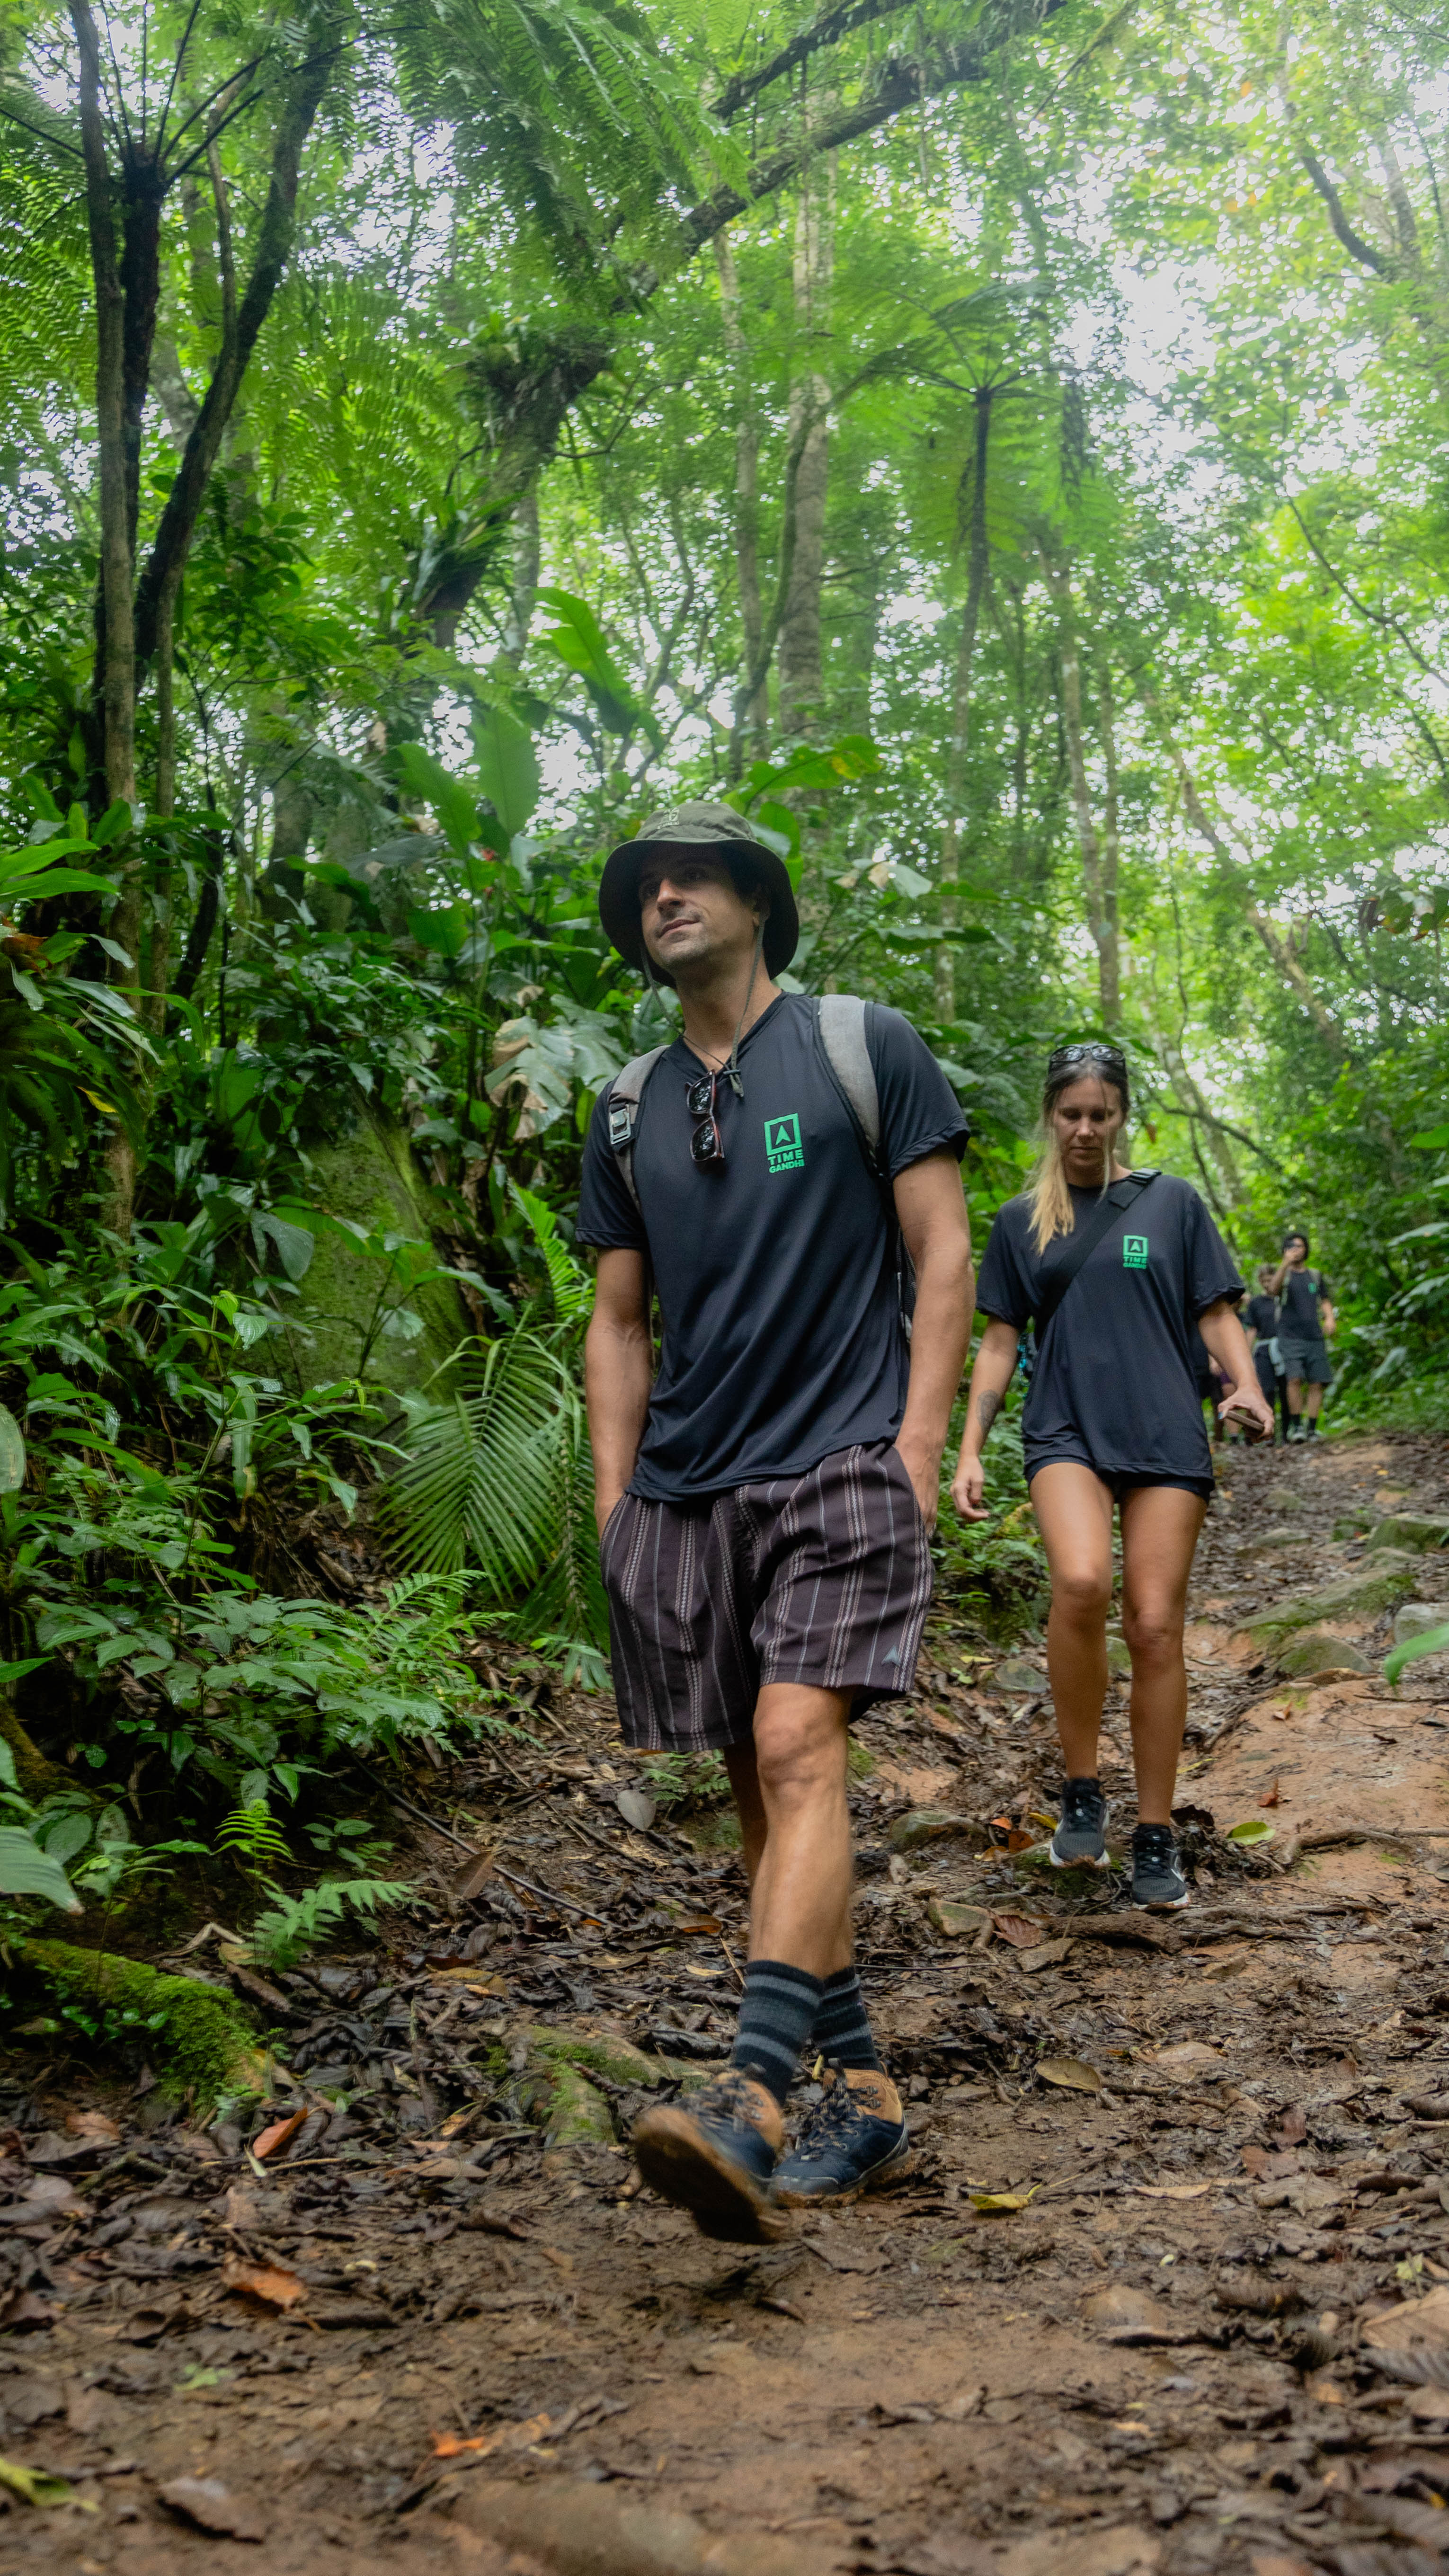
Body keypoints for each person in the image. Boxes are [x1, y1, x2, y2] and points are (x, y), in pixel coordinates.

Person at [576, 799, 974, 2239]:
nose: (663, 895)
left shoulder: (864, 1047)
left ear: (757, 895)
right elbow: (618, 1324)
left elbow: (943, 1256)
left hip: (842, 1455)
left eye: (691, 875)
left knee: (801, 1745)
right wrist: (618, 1503)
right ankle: (862, 2087)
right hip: (690, 1483)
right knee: (760, 1789)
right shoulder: (625, 1105)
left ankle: (746, 2100)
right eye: (643, 886)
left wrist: (919, 1442)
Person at [951, 1041, 1274, 1910]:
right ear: (1050, 1116)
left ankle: (1157, 1833)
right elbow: (997, 1340)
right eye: (1071, 1114)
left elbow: (1214, 1309)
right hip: (1065, 1429)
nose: (1086, 1129)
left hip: (1166, 1428)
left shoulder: (1171, 1203)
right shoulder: (1023, 1221)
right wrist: (972, 1445)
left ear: (1121, 1113)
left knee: (1158, 1622)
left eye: (1101, 1113)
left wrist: (1243, 1381)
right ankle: (1083, 1790)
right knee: (1083, 1579)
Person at [1270, 1230, 1335, 1441]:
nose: (1296, 1250)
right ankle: (1296, 1427)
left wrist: (1330, 1318)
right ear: (1285, 1250)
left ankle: (1312, 1428)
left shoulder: (1314, 1275)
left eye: (1299, 1246)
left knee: (1317, 1382)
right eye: (1291, 1247)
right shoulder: (1285, 1275)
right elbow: (1273, 1290)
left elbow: (1324, 1299)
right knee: (1294, 1379)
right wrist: (1284, 1264)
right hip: (1289, 1336)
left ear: (1306, 1249)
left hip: (1314, 1336)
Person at [1243, 1264, 1287, 1443]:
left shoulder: (1285, 1300)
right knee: (1267, 1391)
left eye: (1271, 1280)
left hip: (1285, 1349)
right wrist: (1246, 1355)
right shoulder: (1255, 1303)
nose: (1268, 1284)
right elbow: (1252, 1329)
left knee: (1286, 1392)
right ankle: (1269, 1433)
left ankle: (1286, 1434)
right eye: (1264, 1281)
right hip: (1264, 1350)